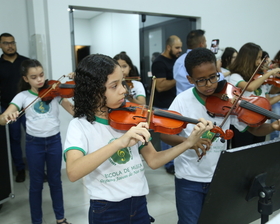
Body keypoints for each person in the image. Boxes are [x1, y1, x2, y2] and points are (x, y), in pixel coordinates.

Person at [63, 54, 213, 224]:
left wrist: (188, 143)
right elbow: (73, 172)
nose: (124, 90)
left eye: (122, 83)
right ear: (94, 91)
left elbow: (154, 160)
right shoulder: (80, 126)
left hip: (139, 205)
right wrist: (120, 142)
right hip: (106, 209)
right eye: (114, 86)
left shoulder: (130, 119)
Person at [160, 48, 280, 224]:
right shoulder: (182, 101)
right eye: (201, 80)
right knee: (189, 222)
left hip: (219, 177)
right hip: (189, 178)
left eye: (213, 77)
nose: (209, 84)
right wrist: (189, 142)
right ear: (190, 79)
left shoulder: (229, 100)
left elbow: (254, 130)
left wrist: (273, 126)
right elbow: (164, 135)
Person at [0, 59, 73, 224]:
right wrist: (8, 116)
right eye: (34, 77)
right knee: (36, 184)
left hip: (54, 141)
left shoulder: (54, 92)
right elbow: (2, 119)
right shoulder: (22, 96)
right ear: (26, 79)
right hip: (34, 144)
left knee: (55, 181)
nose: (40, 80)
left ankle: (60, 219)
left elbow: (73, 111)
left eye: (41, 75)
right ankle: (36, 221)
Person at [228, 43, 280, 147]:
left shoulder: (259, 78)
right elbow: (250, 87)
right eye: (258, 58)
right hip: (242, 123)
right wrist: (269, 73)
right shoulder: (235, 76)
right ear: (248, 59)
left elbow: (267, 101)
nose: (260, 62)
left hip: (260, 121)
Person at [151, 35, 182, 174]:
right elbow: (160, 86)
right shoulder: (159, 63)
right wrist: (178, 78)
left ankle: (175, 161)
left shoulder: (177, 61)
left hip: (175, 104)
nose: (179, 50)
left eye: (181, 47)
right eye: (177, 47)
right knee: (167, 137)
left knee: (177, 134)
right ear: (168, 47)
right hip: (163, 105)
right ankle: (169, 165)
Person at [0, 32, 29, 182]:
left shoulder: (26, 62)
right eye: (6, 43)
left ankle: (36, 168)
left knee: (32, 138)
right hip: (8, 108)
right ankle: (20, 170)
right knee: (14, 139)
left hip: (27, 108)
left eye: (12, 42)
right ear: (0, 45)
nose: (10, 46)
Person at [173, 29, 225, 95]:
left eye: (212, 76)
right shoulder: (197, 62)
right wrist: (218, 69)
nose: (208, 84)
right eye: (205, 42)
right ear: (201, 44)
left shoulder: (178, 61)